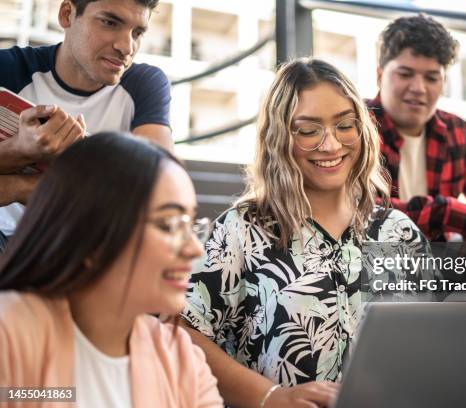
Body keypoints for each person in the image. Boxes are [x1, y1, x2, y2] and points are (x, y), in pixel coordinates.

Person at [181, 58, 432, 408]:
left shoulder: (400, 233)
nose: (330, 146)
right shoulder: (242, 228)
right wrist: (269, 398)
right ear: (279, 136)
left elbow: (435, 342)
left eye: (345, 125)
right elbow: (186, 332)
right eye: (309, 130)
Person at [0, 133, 223, 408]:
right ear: (91, 236)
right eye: (169, 224)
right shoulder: (10, 335)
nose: (194, 249)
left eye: (192, 225)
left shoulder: (180, 358)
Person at [0, 0, 172, 245]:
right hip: (9, 240)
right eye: (110, 22)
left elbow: (161, 191)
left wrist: (18, 187)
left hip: (91, 244)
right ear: (67, 14)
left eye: (138, 32)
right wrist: (20, 150)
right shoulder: (8, 69)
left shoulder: (145, 83)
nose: (127, 47)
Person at [367, 14, 466, 241]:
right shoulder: (353, 128)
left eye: (432, 78)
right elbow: (359, 212)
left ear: (443, 83)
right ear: (379, 75)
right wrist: (447, 212)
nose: (419, 88)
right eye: (405, 74)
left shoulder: (457, 132)